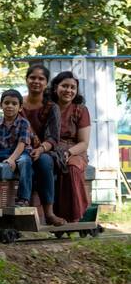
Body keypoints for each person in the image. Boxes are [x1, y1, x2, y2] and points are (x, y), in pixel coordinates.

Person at [21, 63, 63, 225]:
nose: (36, 81)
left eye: (41, 78)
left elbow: (53, 138)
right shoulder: (17, 104)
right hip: (19, 149)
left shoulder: (52, 107)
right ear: (26, 80)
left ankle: (49, 213)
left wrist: (40, 150)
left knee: (44, 161)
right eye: (32, 77)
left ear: (46, 83)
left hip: (45, 151)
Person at [48, 71, 92, 224]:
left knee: (71, 167)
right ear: (55, 88)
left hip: (75, 152)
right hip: (51, 150)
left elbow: (84, 143)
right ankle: (49, 216)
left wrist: (68, 153)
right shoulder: (47, 108)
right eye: (64, 86)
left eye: (73, 87)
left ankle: (75, 217)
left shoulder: (80, 110)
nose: (69, 90)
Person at [0, 89, 33, 206]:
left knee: (25, 162)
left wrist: (12, 159)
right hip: (1, 152)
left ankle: (23, 198)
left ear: (20, 107)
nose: (10, 106)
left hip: (20, 152)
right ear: (1, 105)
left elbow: (22, 144)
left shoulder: (24, 123)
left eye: (14, 104)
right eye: (7, 103)